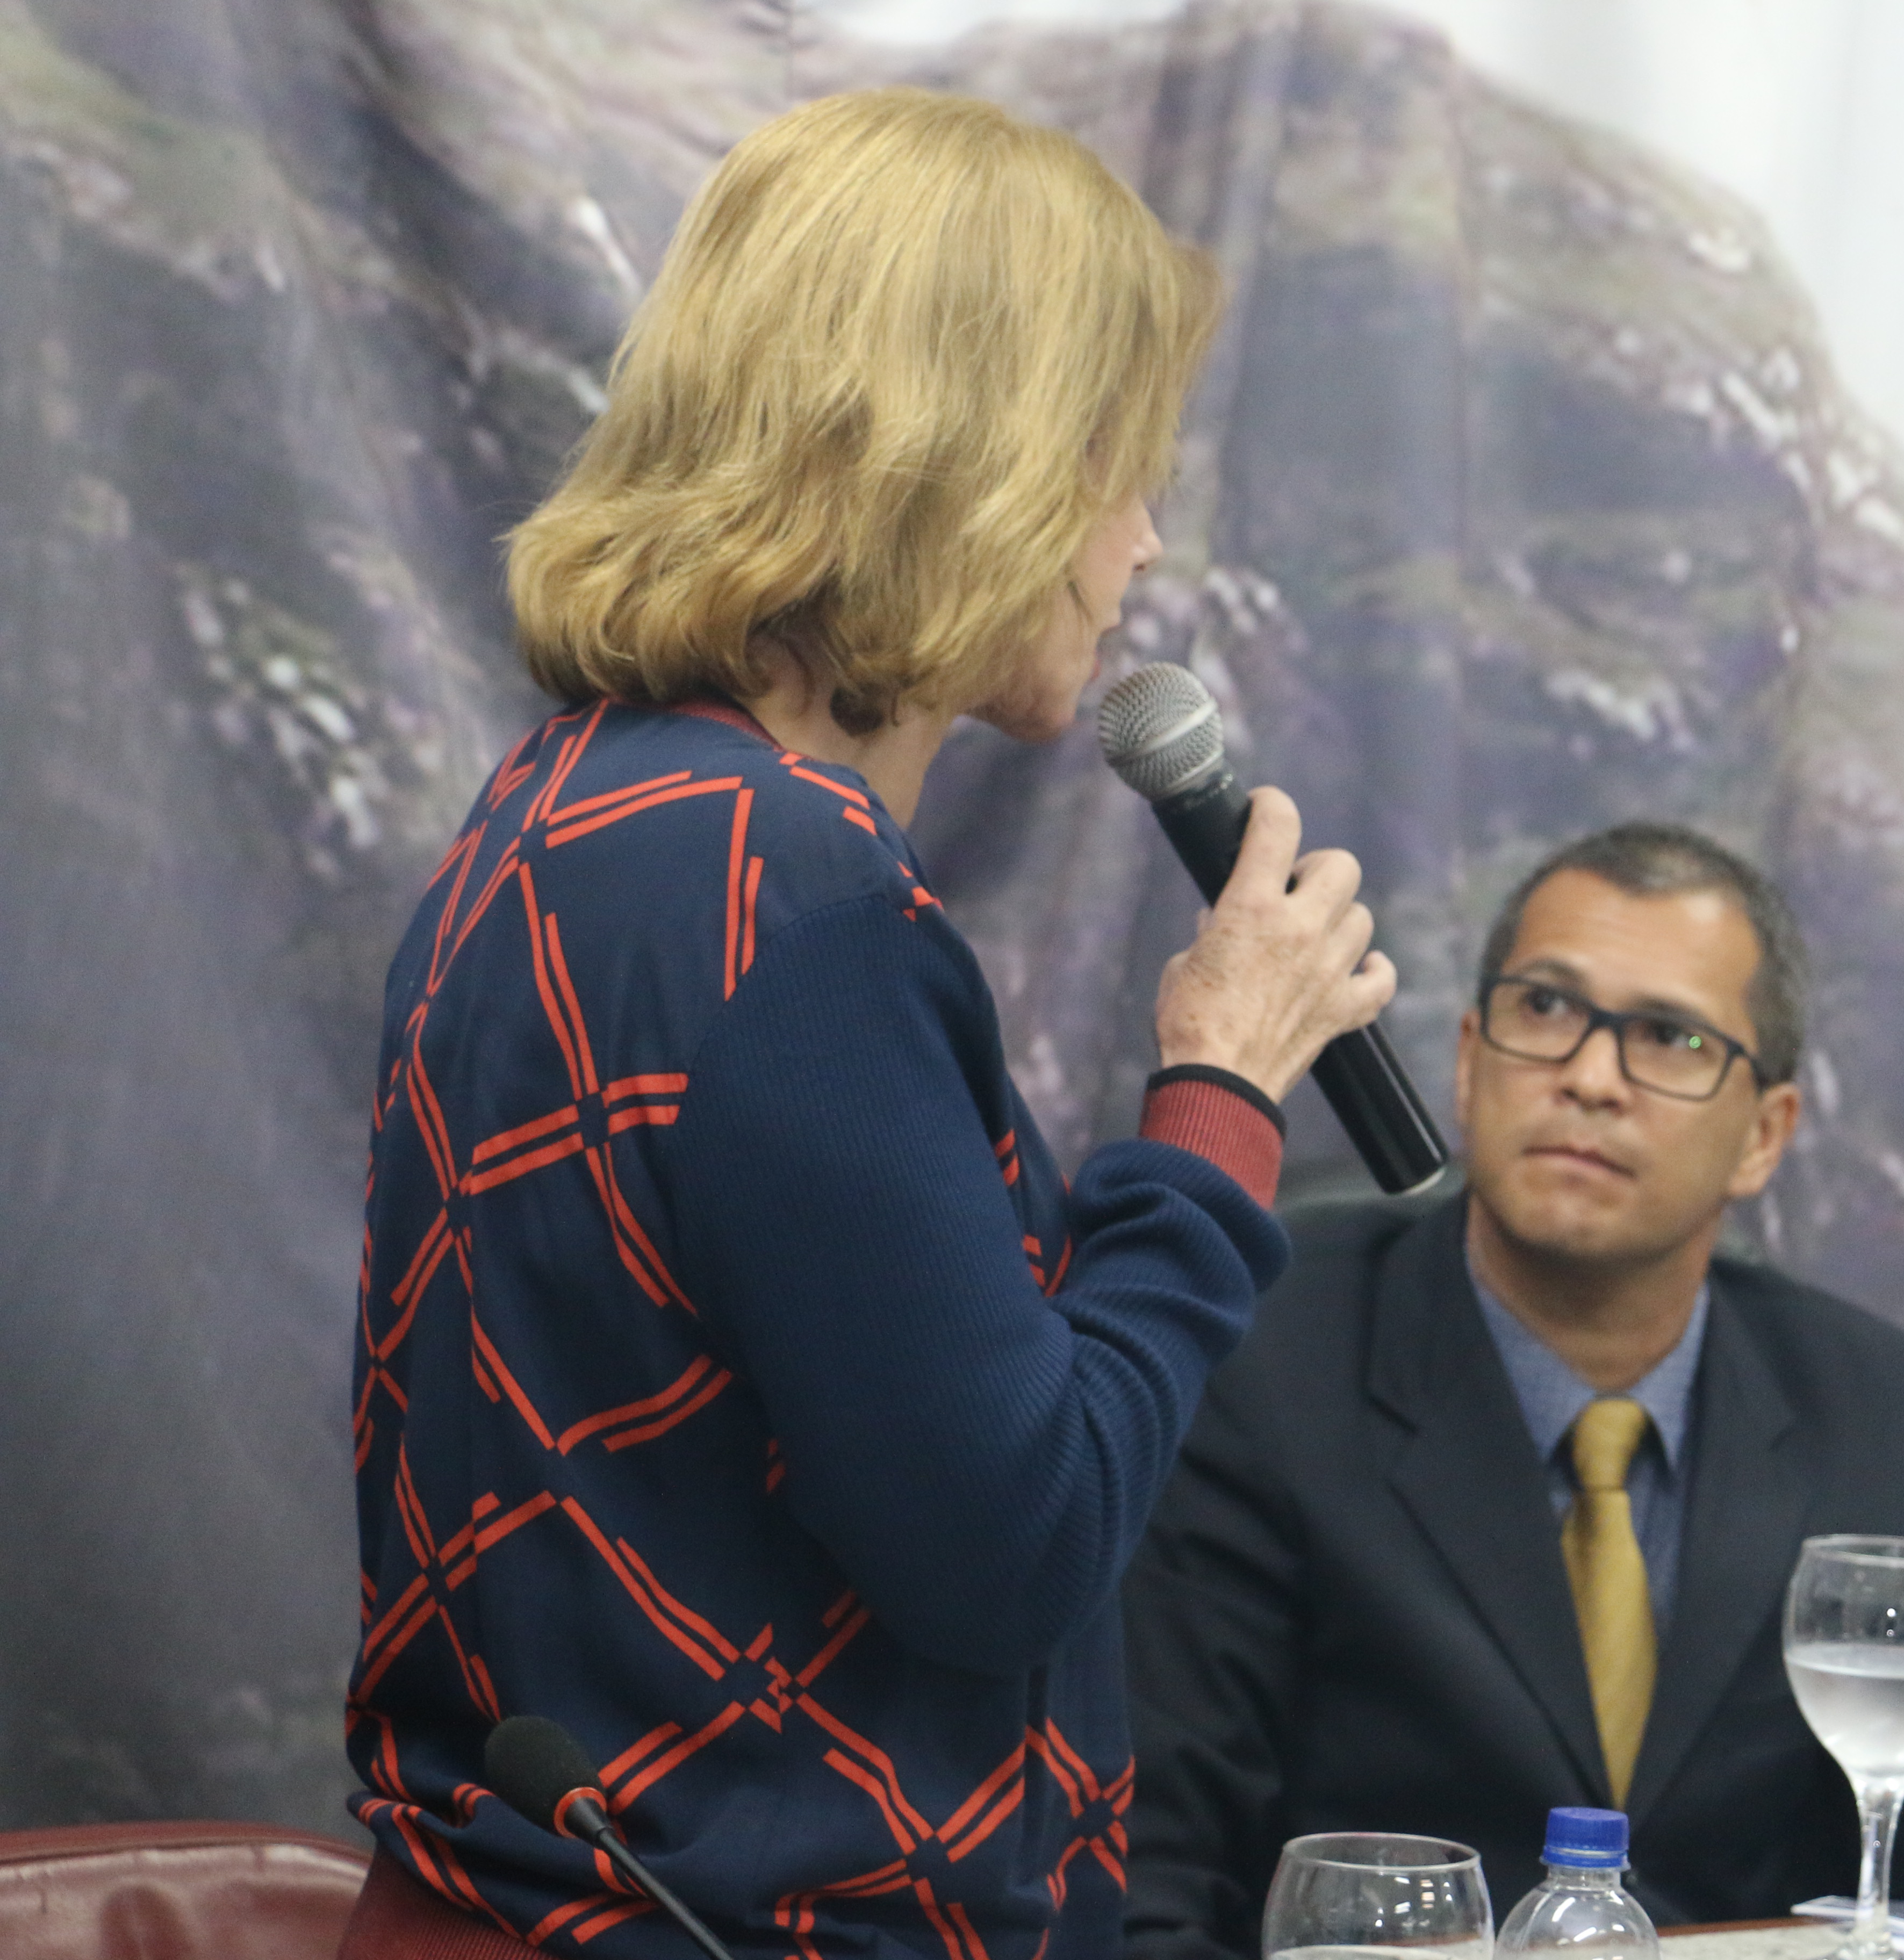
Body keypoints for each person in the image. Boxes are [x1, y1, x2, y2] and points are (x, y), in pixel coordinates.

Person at [338, 90, 1396, 1960]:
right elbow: (1011, 1542)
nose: (1144, 540)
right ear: (971, 461)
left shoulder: (561, 806)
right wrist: (1223, 1096)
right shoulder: (792, 897)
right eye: (1112, 464)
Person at [1120, 824, 1904, 1958]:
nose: (1590, 1079)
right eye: (1545, 1010)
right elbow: (1151, 1872)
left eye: (1671, 1038)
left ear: (1764, 1135)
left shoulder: (1872, 1401)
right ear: (1469, 1061)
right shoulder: (1270, 1354)